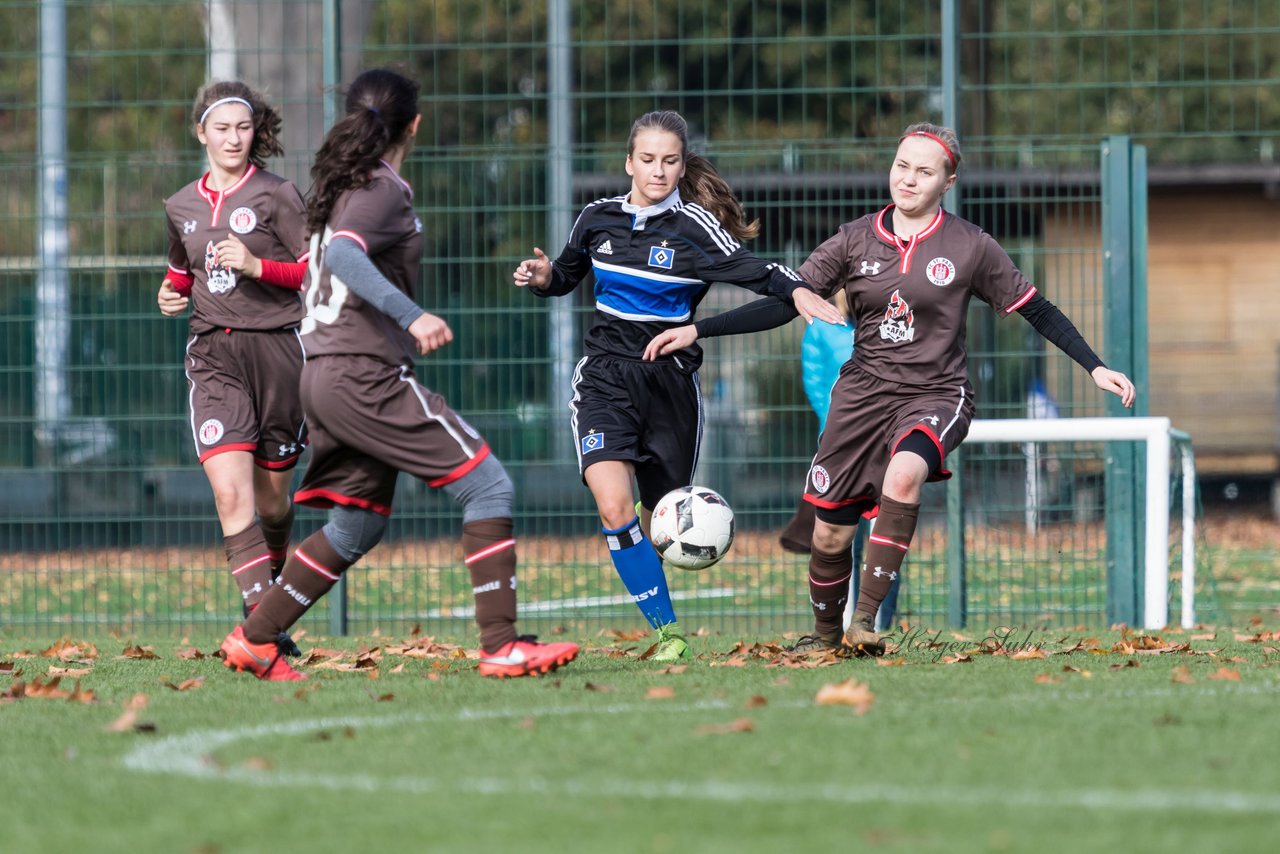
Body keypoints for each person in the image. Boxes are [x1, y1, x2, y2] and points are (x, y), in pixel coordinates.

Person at [646, 122, 1135, 657]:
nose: (908, 179)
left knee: (904, 476)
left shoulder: (972, 247)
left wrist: (1094, 367)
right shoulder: (854, 238)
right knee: (830, 534)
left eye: (924, 171)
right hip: (859, 397)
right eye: (902, 165)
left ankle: (866, 621)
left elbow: (1036, 308)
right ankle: (825, 638)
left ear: (947, 182)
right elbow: (791, 297)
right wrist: (700, 329)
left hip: (936, 394)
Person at [220, 68, 579, 681]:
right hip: (363, 375)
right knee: (487, 486)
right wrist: (412, 317)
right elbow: (340, 256)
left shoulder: (340, 187)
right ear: (414, 123)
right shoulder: (382, 187)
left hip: (324, 375)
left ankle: (256, 638)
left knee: (357, 523)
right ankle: (500, 644)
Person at [513, 109, 839, 663]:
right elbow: (567, 274)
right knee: (613, 506)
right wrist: (544, 278)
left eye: (669, 161)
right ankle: (669, 634)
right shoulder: (596, 219)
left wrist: (800, 292)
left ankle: (658, 605)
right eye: (647, 160)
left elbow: (758, 272)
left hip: (671, 387)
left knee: (655, 518)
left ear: (682, 165)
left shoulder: (695, 230)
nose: (658, 171)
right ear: (628, 162)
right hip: (604, 378)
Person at [159, 80, 309, 656]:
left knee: (273, 502)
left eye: (242, 128)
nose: (233, 138)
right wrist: (171, 296)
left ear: (255, 132)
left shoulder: (278, 195)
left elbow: (314, 272)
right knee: (230, 495)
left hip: (279, 355)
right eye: (221, 128)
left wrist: (256, 266)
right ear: (201, 132)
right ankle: (262, 631)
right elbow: (180, 272)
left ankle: (266, 598)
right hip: (213, 355)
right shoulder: (180, 205)